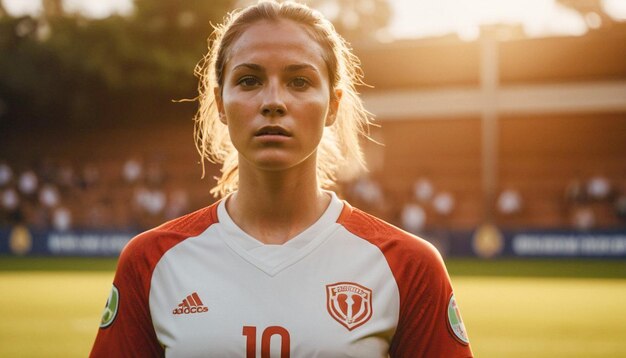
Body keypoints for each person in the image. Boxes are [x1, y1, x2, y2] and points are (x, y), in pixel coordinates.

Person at [90, 1, 472, 357]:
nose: (273, 101)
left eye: (300, 82)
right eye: (250, 81)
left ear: (333, 106)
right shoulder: (151, 262)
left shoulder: (408, 265)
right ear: (221, 103)